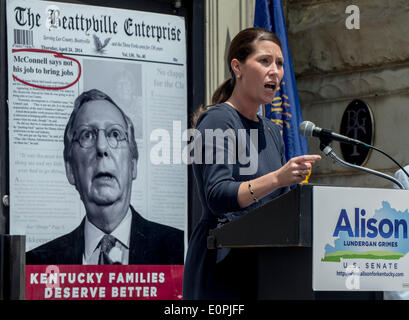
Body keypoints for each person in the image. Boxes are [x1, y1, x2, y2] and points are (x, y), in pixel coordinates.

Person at [183, 27, 321, 300]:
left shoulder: (271, 131)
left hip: (266, 268)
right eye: (265, 61)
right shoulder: (216, 121)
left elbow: (279, 209)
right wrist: (279, 178)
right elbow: (217, 196)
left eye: (280, 64)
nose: (276, 72)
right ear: (238, 67)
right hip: (221, 265)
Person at [26, 89, 183, 265]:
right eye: (87, 135)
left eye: (115, 134)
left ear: (133, 164)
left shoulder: (182, 251)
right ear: (70, 169)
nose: (101, 147)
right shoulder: (35, 264)